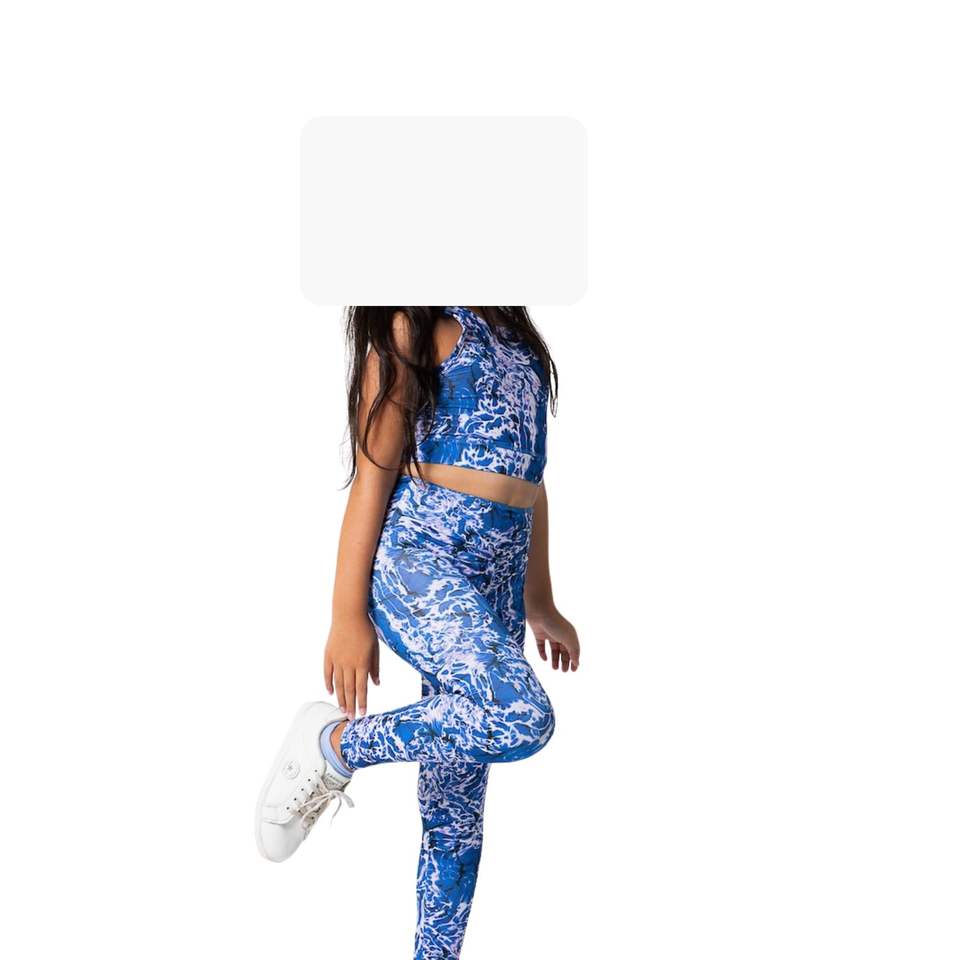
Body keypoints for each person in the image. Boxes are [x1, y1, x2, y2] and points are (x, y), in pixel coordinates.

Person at [255, 306, 580, 958]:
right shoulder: (411, 322)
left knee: (456, 811)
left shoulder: (517, 338)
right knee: (521, 717)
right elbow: (372, 473)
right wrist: (347, 615)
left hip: (496, 575)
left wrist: (540, 602)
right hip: (420, 560)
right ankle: (336, 745)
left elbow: (529, 484)